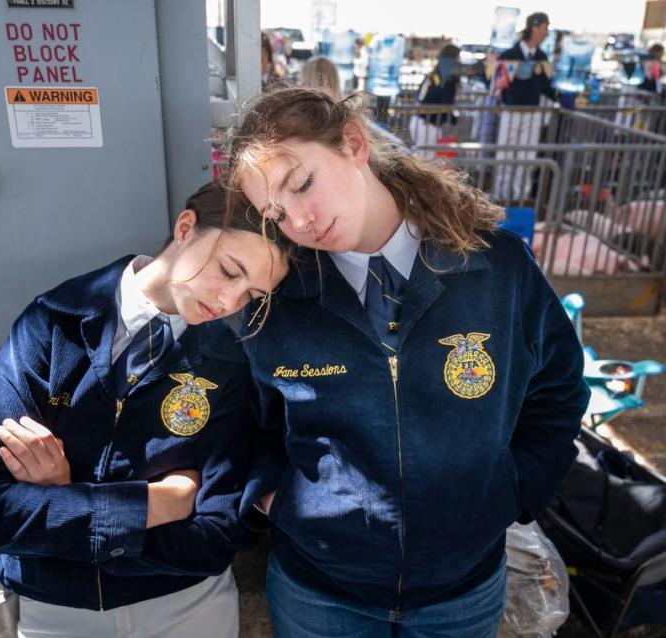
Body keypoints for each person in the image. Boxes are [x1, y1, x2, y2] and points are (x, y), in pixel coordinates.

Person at [224, 87, 589, 637]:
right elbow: (241, 419)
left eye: (302, 184)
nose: (300, 220)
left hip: (460, 590)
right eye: (276, 212)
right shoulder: (276, 297)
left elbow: (557, 390)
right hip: (320, 593)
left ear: (353, 143)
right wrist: (282, 503)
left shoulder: (497, 268)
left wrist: (514, 491)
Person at [0, 182, 290, 638]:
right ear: (186, 228)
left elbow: (213, 538)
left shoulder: (228, 363)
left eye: (253, 294)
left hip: (187, 607)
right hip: (55, 609)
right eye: (231, 271)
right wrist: (161, 502)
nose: (232, 302)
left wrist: (63, 497)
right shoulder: (52, 325)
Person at [493, 12, 556, 203]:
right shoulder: (509, 55)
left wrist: (561, 99)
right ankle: (501, 196)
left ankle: (520, 197)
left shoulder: (542, 57)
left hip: (533, 114)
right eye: (545, 28)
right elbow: (495, 80)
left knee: (527, 156)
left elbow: (547, 87)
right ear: (535, 28)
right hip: (511, 112)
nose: (546, 33)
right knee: (505, 153)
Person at [409, 43, 461, 147]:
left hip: (417, 122)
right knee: (427, 160)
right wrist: (456, 120)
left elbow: (420, 96)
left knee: (420, 158)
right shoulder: (447, 80)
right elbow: (446, 106)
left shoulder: (433, 74)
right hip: (429, 127)